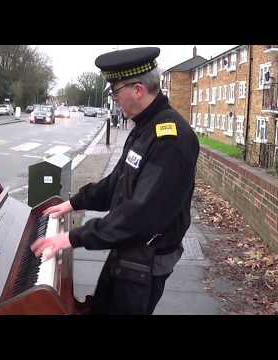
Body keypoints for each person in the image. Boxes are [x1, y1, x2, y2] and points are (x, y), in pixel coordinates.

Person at [31, 47, 199, 315]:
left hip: (146, 261)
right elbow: (116, 183)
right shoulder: (145, 127)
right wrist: (73, 203)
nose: (113, 98)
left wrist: (73, 238)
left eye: (115, 90)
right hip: (129, 250)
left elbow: (142, 212)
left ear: (138, 90)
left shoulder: (171, 139)